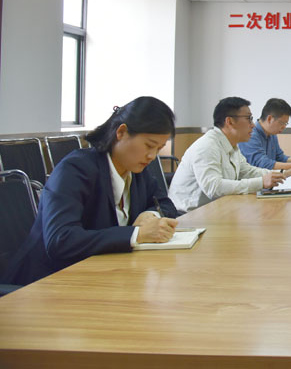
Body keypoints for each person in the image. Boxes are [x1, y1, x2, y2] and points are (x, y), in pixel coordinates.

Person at [3, 97, 180, 286]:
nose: (152, 156)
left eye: (159, 148)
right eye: (149, 145)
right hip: (47, 282)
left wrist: (150, 215)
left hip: (102, 275)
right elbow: (60, 240)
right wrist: (136, 234)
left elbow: (166, 205)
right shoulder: (75, 169)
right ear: (121, 132)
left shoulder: (137, 171)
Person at [168, 97, 286, 212]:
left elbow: (246, 171)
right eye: (248, 118)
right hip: (187, 216)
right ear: (229, 121)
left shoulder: (232, 145)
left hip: (215, 209)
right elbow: (214, 187)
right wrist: (261, 182)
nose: (253, 125)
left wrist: (279, 175)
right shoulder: (207, 146)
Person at [240, 98, 291, 170]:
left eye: (286, 123)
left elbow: (281, 158)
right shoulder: (250, 134)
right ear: (270, 119)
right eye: (282, 123)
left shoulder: (272, 134)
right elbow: (263, 164)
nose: (284, 127)